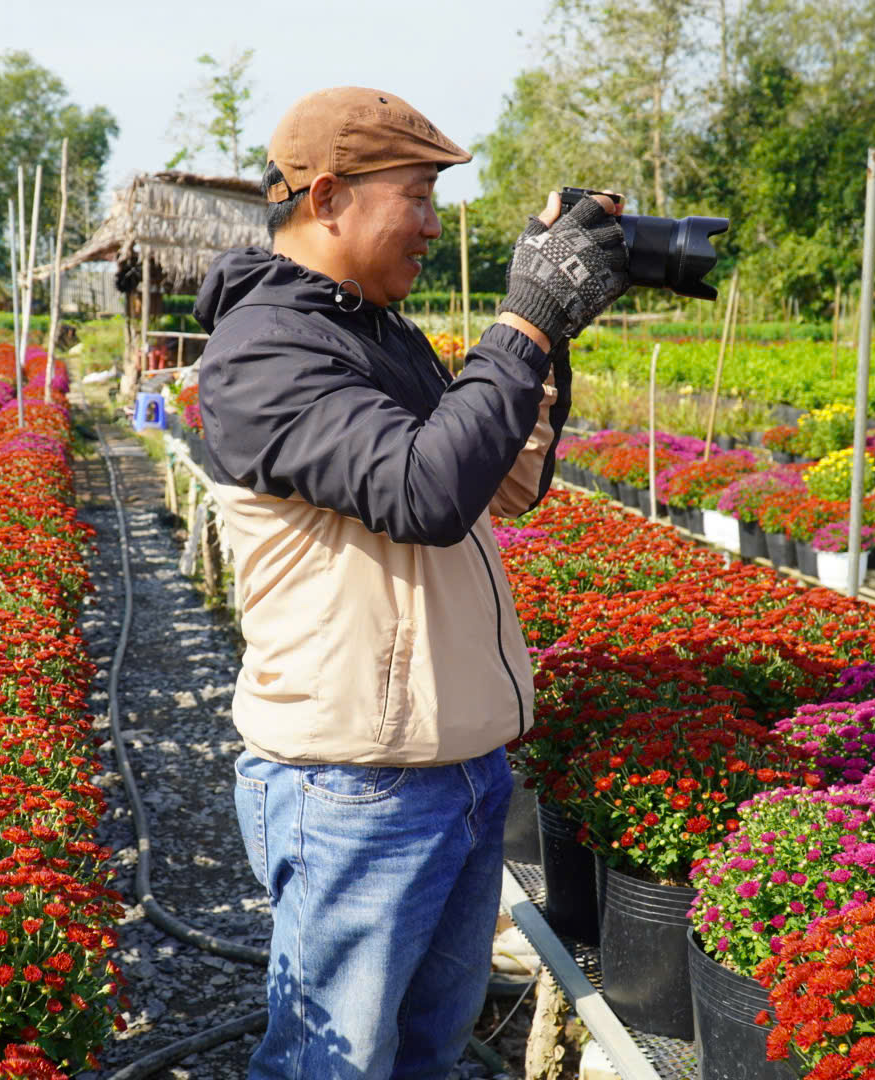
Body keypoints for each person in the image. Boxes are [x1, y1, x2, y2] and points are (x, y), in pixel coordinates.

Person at [192, 86, 629, 1080]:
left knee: (426, 1050)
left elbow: (503, 485)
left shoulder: (377, 331)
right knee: (331, 1064)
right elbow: (425, 490)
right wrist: (521, 318)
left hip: (459, 773)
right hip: (357, 784)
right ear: (331, 196)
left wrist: (548, 330)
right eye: (419, 195)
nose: (433, 224)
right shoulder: (263, 348)